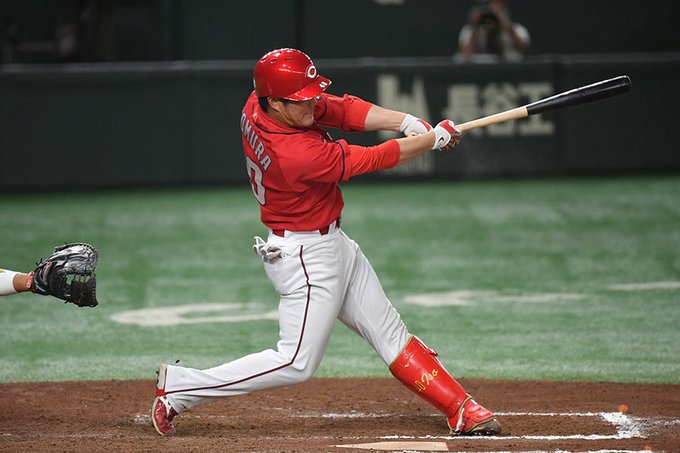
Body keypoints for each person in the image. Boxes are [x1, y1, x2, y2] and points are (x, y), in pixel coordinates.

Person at [151, 48, 501, 437]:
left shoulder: (260, 102)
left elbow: (340, 109)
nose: (311, 103)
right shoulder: (295, 155)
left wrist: (406, 122)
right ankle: (182, 387)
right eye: (301, 99)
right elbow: (373, 158)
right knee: (296, 362)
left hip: (332, 243)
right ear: (276, 103)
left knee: (390, 334)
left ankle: (461, 409)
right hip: (305, 257)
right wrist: (432, 140)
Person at [457, 0, 530, 61]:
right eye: (489, 8)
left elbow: (523, 49)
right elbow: (465, 54)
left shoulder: (517, 28)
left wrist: (505, 24)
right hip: (482, 68)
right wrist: (475, 27)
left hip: (508, 68)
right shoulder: (470, 29)